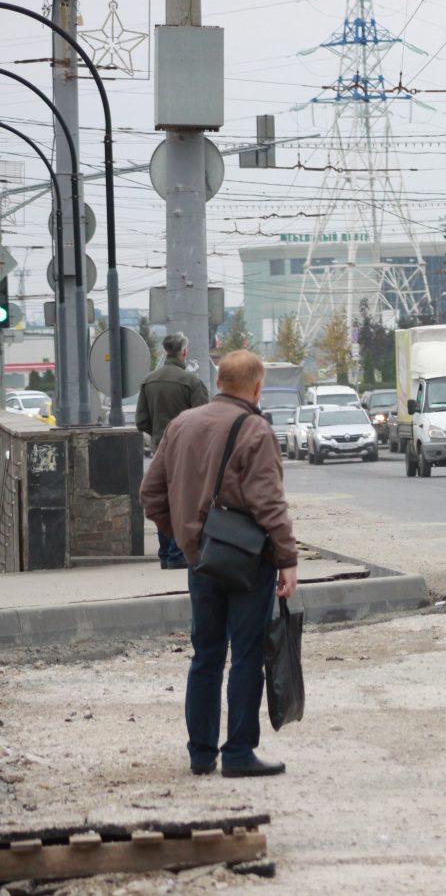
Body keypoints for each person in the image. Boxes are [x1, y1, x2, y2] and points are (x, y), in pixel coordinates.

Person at [140, 350, 298, 779]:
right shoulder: (255, 430)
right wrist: (287, 559)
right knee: (246, 655)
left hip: (201, 561)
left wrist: (186, 538)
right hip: (249, 563)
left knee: (205, 655)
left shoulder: (181, 425)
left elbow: (150, 492)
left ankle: (201, 753)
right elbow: (268, 504)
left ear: (219, 382)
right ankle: (239, 753)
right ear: (257, 387)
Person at [136, 333, 209, 569]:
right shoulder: (191, 382)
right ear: (184, 352)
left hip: (160, 449)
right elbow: (203, 421)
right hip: (187, 451)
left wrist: (159, 434)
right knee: (184, 501)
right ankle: (178, 554)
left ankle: (166, 554)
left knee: (164, 500)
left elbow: (141, 421)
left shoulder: (149, 381)